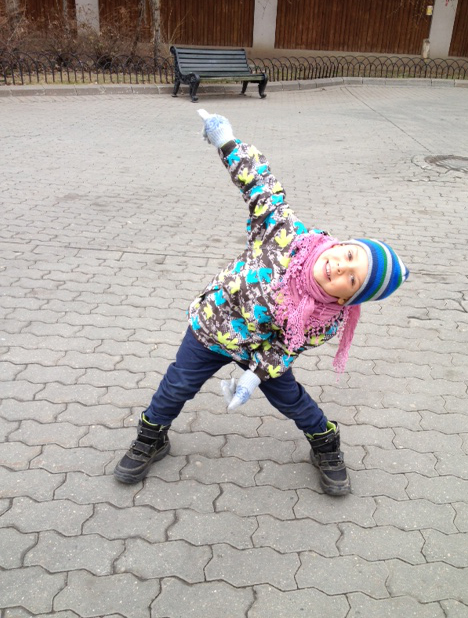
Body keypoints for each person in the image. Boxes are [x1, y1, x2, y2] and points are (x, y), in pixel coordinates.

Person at [114, 110, 409, 496]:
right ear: (343, 245)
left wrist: (255, 375)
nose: (341, 267)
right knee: (176, 385)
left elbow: (288, 346)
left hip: (259, 350)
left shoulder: (327, 317)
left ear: (346, 297)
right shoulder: (285, 234)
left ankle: (325, 442)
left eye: (352, 279)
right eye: (350, 255)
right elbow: (261, 186)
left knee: (292, 400)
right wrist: (226, 141)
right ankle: (151, 436)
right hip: (211, 327)